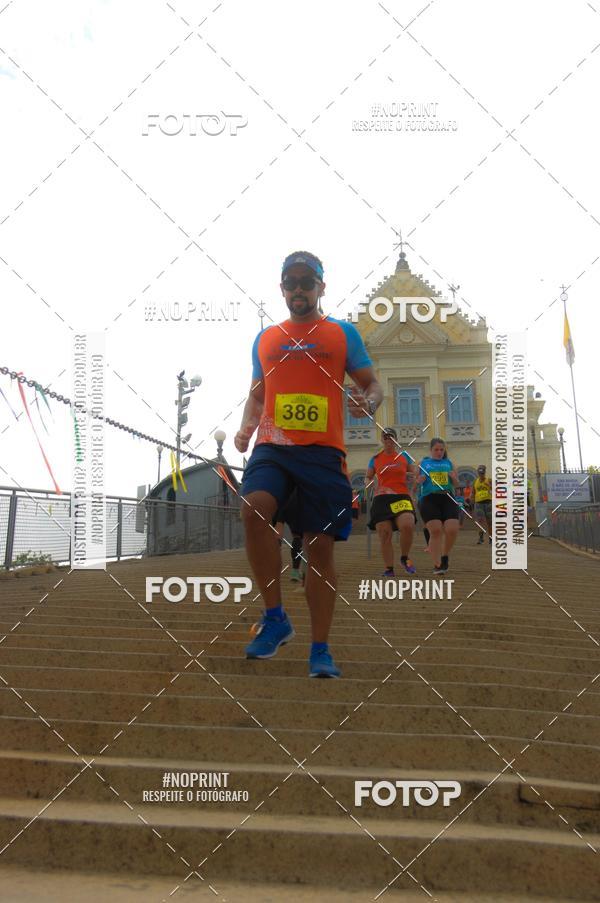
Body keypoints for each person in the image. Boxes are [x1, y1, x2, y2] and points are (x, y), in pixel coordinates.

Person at [235, 250, 383, 678]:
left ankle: (320, 648)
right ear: (281, 289)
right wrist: (246, 429)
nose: (298, 288)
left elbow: (372, 385)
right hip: (274, 445)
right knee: (254, 507)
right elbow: (258, 395)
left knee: (319, 549)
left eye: (307, 281)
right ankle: (276, 618)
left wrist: (367, 401)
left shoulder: (341, 334)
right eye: (290, 281)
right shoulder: (266, 338)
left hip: (323, 452)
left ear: (322, 286)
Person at [365, 428, 417, 576]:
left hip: (401, 496)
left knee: (407, 525)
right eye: (385, 437)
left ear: (396, 440)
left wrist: (413, 485)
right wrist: (368, 482)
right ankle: (389, 568)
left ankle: (405, 558)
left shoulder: (404, 456)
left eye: (391, 437)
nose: (388, 439)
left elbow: (413, 474)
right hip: (382, 498)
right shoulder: (375, 458)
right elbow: (368, 476)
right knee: (384, 533)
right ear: (382, 440)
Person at [416, 437, 461, 574]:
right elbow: (415, 482)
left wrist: (453, 478)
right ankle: (437, 564)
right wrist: (419, 480)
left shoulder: (449, 463)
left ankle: (445, 556)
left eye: (442, 449)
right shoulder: (423, 463)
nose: (439, 452)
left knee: (452, 529)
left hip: (447, 497)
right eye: (436, 449)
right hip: (429, 498)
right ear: (431, 450)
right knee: (435, 531)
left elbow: (457, 484)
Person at [273, 489, 304, 582]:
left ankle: (272, 570)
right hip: (296, 499)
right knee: (298, 536)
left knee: (277, 533)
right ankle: (295, 571)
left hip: (278, 498)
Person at [473, 465, 493, 544]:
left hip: (488, 503)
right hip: (478, 503)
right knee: (480, 521)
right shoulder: (475, 481)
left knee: (489, 522)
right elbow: (473, 492)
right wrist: (470, 503)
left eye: (482, 473)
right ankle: (481, 538)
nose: (481, 475)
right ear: (478, 473)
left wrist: (490, 486)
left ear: (484, 472)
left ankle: (491, 538)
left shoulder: (489, 480)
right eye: (480, 473)